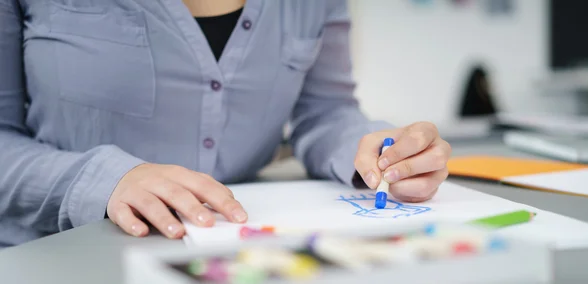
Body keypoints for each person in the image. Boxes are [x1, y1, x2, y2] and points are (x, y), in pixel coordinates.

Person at [0, 0, 451, 248]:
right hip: (55, 262)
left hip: (244, 258)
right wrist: (107, 180)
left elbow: (326, 110)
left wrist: (378, 152)